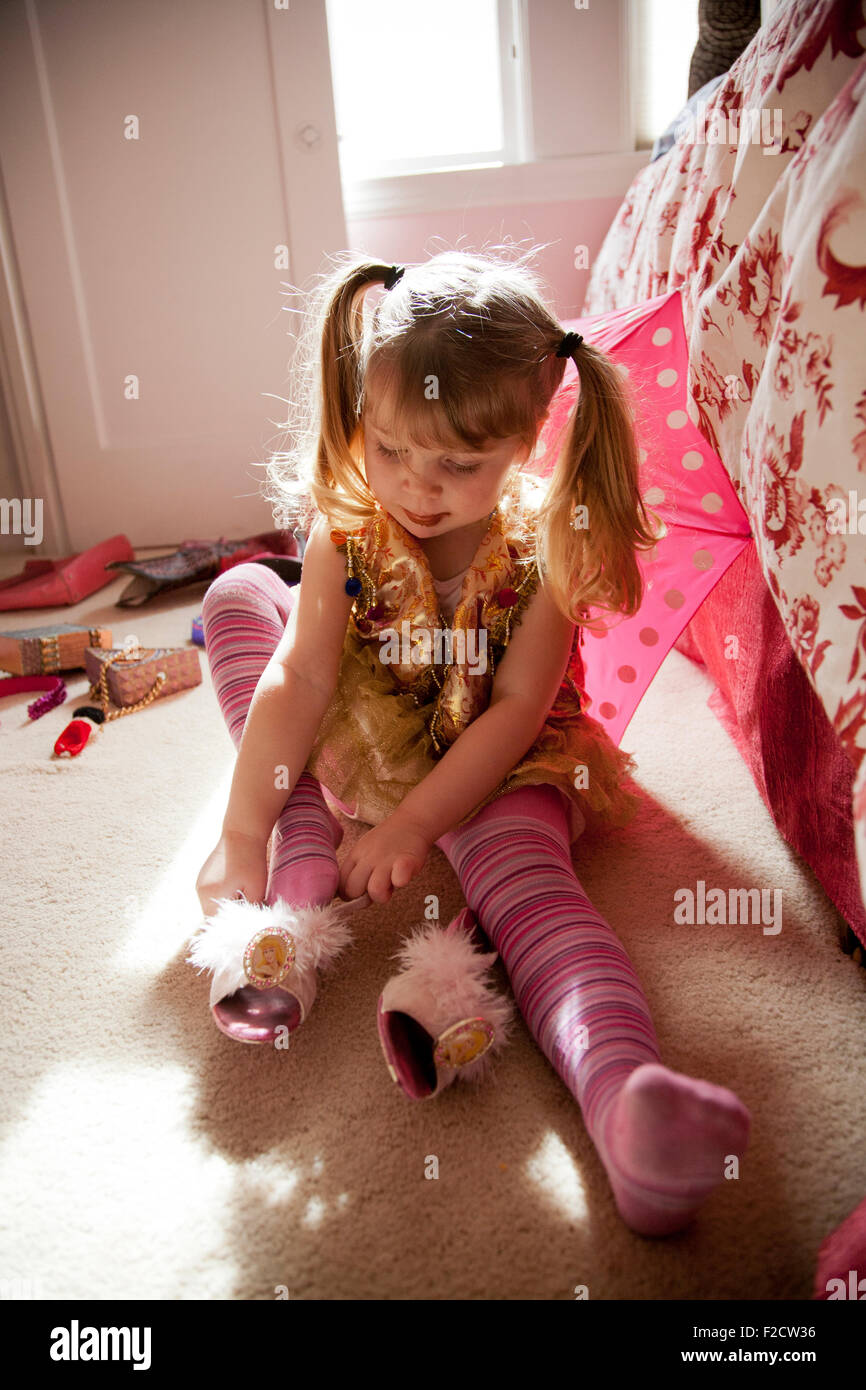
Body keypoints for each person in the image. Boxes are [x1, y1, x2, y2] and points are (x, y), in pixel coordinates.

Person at [194, 249, 750, 1237]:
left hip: (497, 755)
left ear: (528, 437)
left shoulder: (545, 548)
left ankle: (625, 1098)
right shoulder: (348, 528)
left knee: (534, 895)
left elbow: (515, 710)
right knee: (241, 600)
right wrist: (244, 826)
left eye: (457, 464)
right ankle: (296, 869)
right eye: (393, 446)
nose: (415, 485)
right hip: (358, 730)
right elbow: (301, 676)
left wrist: (414, 820)